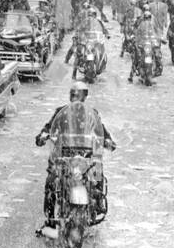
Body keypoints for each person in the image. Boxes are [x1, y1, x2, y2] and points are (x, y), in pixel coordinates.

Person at [34, 83, 116, 232]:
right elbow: (50, 126)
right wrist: (43, 134)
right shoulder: (61, 112)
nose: (75, 97)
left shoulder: (92, 113)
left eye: (78, 94)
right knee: (52, 181)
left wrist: (108, 140)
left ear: (85, 96)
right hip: (64, 156)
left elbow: (101, 130)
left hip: (86, 157)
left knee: (97, 175)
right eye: (73, 94)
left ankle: (97, 204)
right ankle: (50, 220)